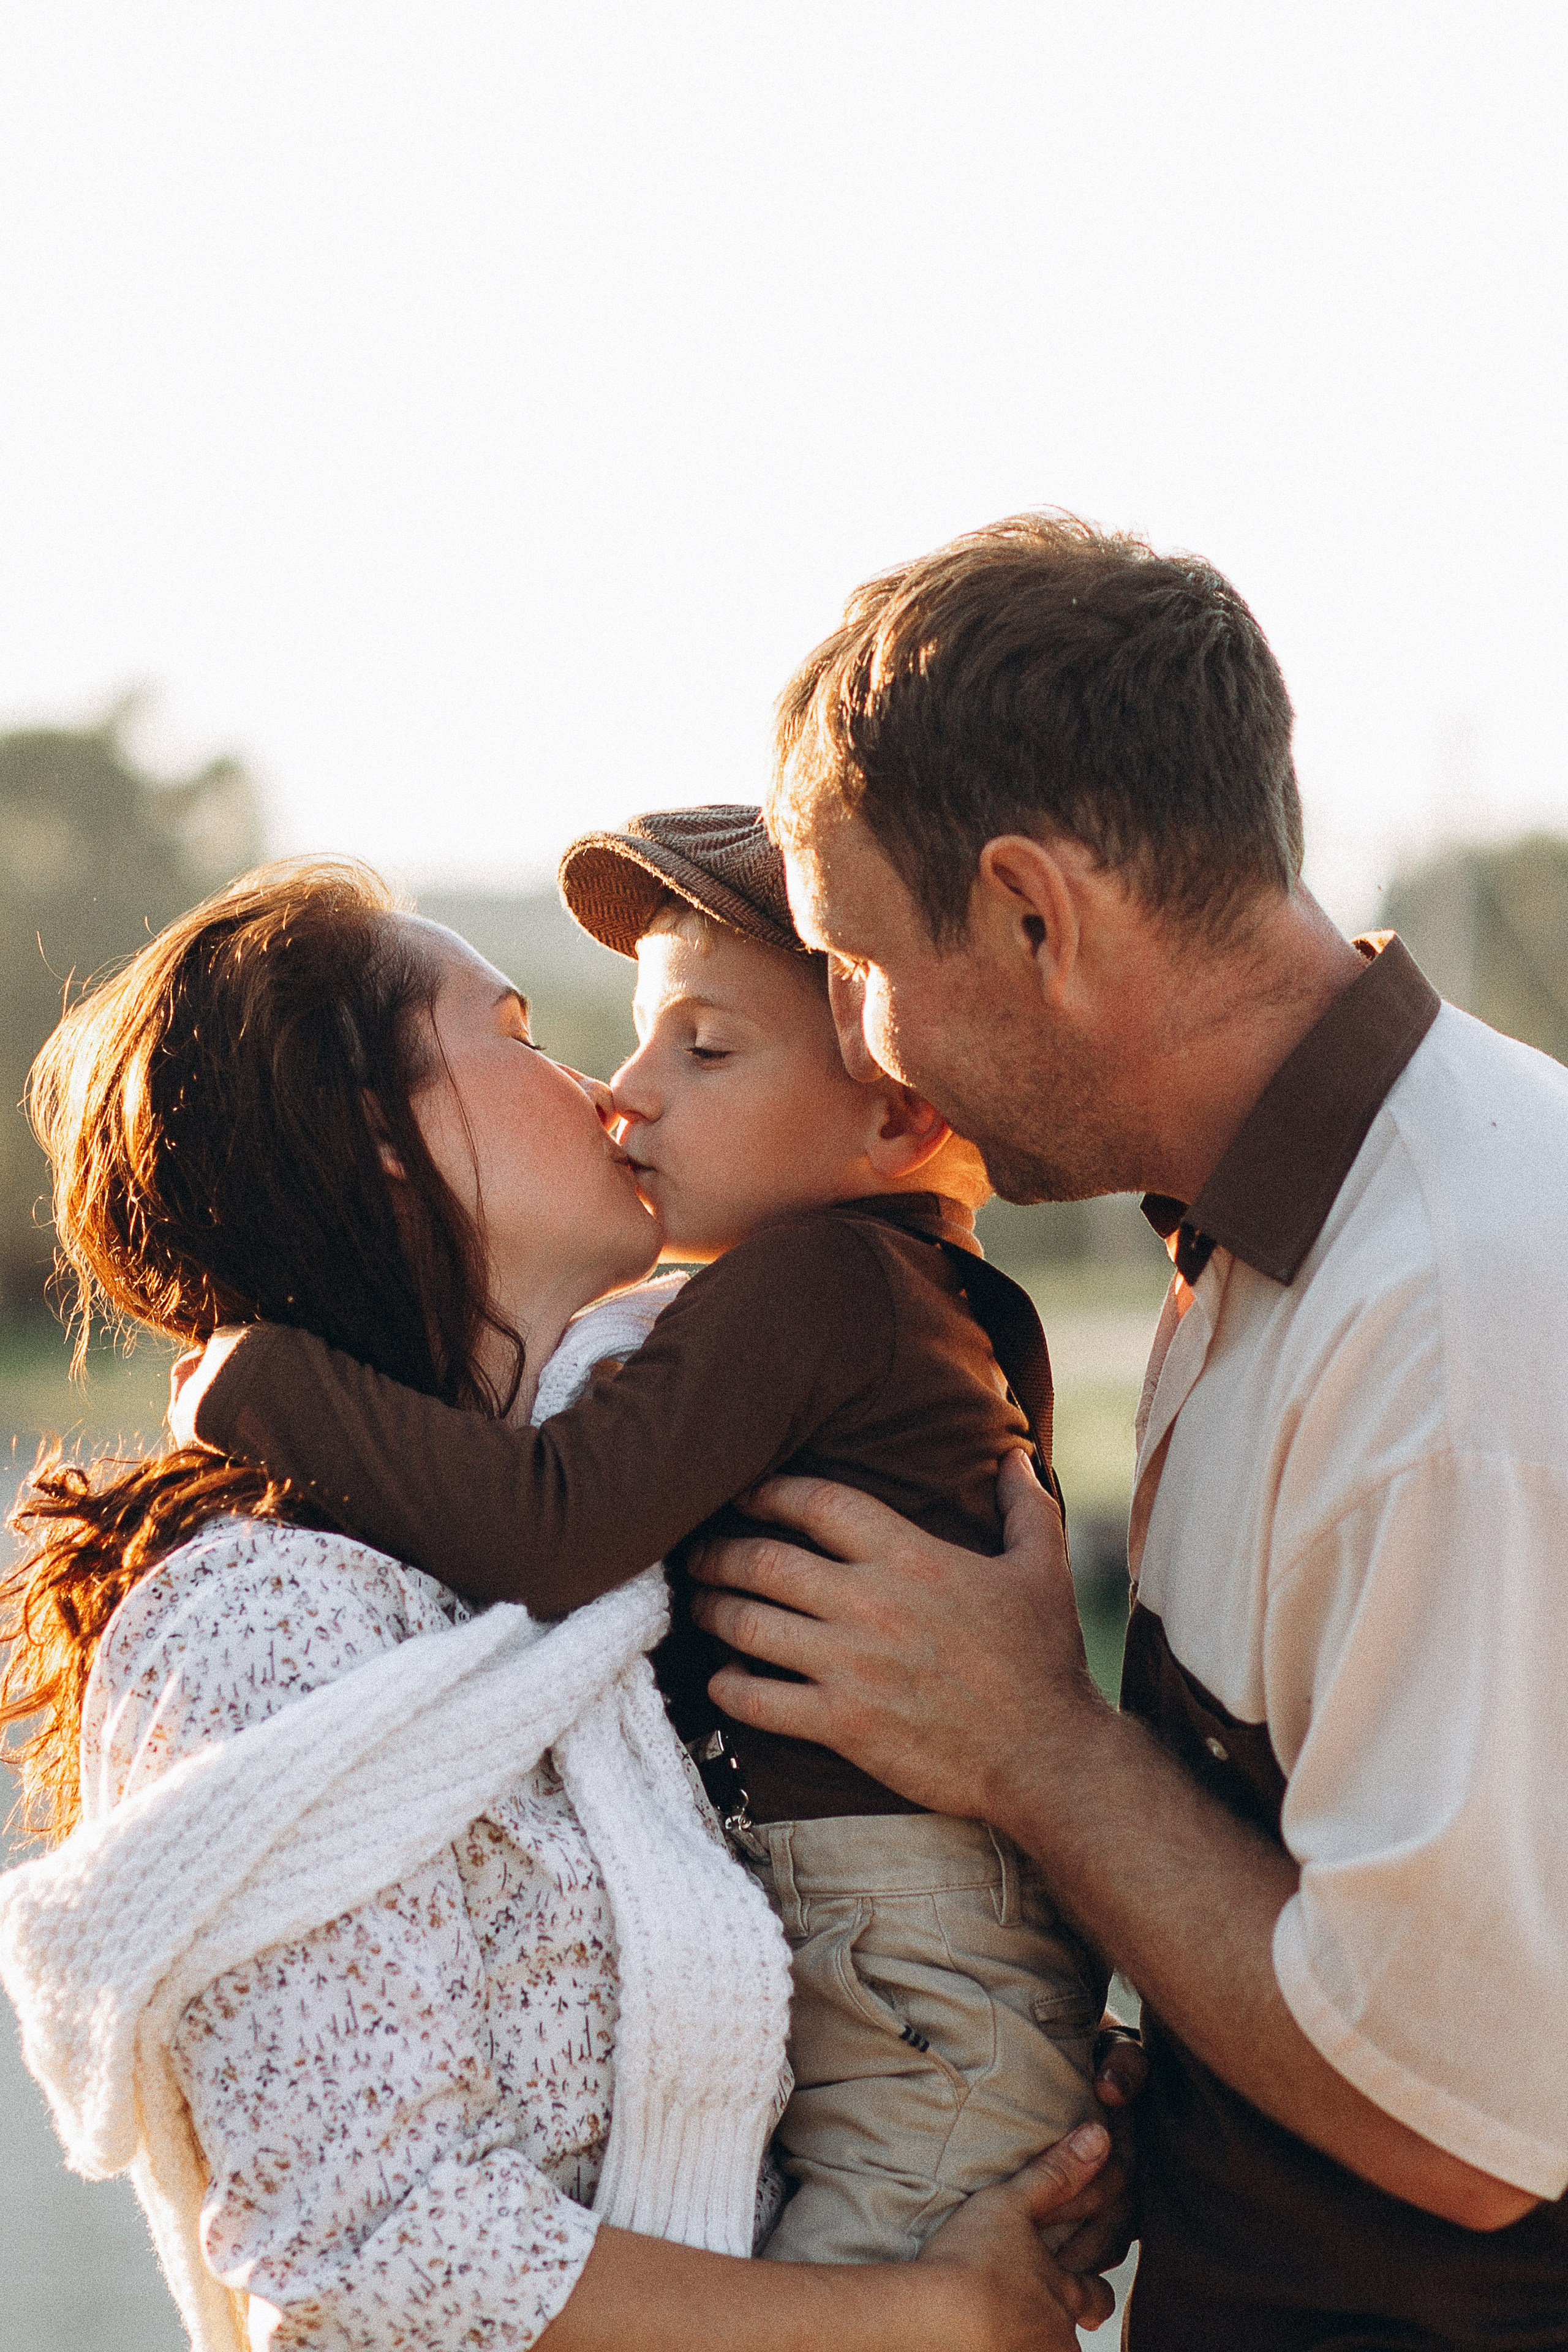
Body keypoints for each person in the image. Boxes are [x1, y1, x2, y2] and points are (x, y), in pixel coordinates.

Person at [0, 858, 1126, 2352]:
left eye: (697, 1048)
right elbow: (375, 2252)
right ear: (382, 1140)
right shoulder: (272, 1615)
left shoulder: (594, 1557)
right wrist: (923, 2311)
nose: (610, 1089)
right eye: (521, 1031)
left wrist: (1024, 2092)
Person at [675, 512, 1568, 2348]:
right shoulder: (1277, 1241)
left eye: (854, 962)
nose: (859, 1044)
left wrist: (1030, 1742)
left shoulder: (1450, 1337)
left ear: (1032, 915)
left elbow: (1467, 2125)